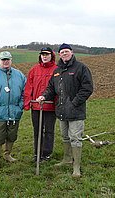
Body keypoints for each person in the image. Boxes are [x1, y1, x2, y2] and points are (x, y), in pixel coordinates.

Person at [36, 43, 93, 177]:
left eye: (66, 51)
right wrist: (44, 95)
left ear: (71, 52)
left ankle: (76, 167)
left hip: (75, 111)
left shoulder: (81, 68)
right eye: (62, 52)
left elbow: (87, 88)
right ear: (59, 54)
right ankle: (67, 159)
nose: (64, 54)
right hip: (61, 111)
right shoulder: (57, 70)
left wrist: (74, 103)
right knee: (65, 137)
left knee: (75, 138)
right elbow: (51, 88)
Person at [0, 51, 26, 170]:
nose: (5, 61)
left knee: (12, 135)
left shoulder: (19, 75)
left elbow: (25, 91)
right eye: (3, 60)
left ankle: (7, 154)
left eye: (7, 59)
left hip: (15, 112)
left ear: (11, 60)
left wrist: (20, 106)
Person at [23, 47, 57, 162]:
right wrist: (27, 103)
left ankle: (46, 153)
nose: (44, 56)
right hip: (36, 106)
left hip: (50, 107)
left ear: (51, 55)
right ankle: (37, 153)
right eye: (42, 54)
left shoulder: (57, 70)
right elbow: (28, 87)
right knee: (37, 130)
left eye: (47, 54)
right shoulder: (34, 70)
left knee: (49, 131)